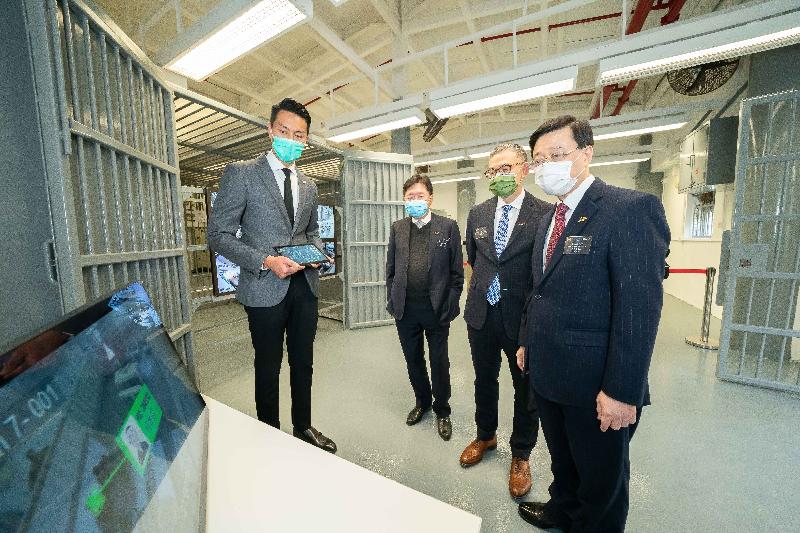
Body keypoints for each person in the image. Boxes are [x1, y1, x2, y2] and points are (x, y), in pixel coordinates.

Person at [517, 115, 670, 532]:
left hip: (597, 383)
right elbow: (539, 288)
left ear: (586, 153)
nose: (546, 164)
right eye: (538, 158)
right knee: (563, 460)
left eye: (558, 154)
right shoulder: (550, 217)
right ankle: (562, 509)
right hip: (549, 373)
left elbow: (639, 310)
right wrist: (528, 340)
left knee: (602, 479)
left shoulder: (629, 209)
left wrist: (622, 391)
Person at [207, 98, 336, 454]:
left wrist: (316, 254)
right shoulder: (242, 174)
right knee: (267, 364)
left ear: (306, 140)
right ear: (270, 130)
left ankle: (304, 426)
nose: (290, 140)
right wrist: (265, 260)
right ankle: (269, 436)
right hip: (265, 286)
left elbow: (311, 232)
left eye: (299, 135)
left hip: (303, 286)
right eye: (284, 132)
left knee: (303, 361)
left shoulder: (308, 185)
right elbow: (217, 235)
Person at [460, 143, 551, 498]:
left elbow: (543, 272)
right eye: (492, 171)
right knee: (484, 380)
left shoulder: (543, 213)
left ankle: (521, 454)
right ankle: (486, 435)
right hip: (482, 314)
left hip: (523, 319)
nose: (498, 176)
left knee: (525, 389)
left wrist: (532, 329)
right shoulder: (478, 214)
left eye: (505, 168)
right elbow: (475, 257)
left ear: (523, 169)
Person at [386, 174, 464, 441]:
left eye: (419, 196)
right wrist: (393, 300)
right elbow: (391, 270)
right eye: (410, 197)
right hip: (406, 310)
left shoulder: (448, 227)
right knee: (413, 359)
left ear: (430, 198)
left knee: (439, 361)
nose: (415, 201)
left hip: (436, 309)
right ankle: (422, 402)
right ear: (404, 201)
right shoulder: (398, 228)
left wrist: (450, 306)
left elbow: (456, 274)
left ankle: (442, 409)